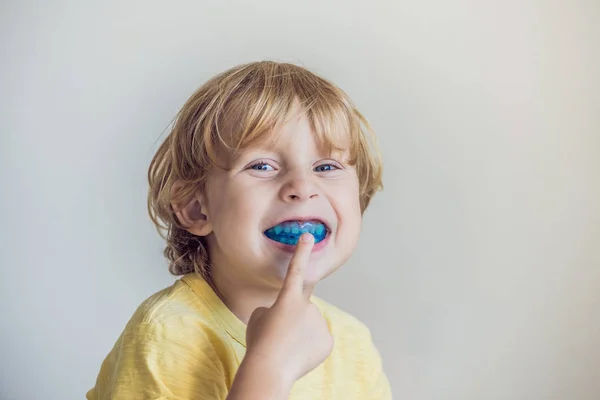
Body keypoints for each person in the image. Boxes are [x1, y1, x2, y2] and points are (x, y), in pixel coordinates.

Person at [86, 61, 392, 399]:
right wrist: (270, 365)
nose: (303, 187)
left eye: (326, 166)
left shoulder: (352, 342)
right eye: (261, 166)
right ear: (196, 208)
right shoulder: (168, 333)